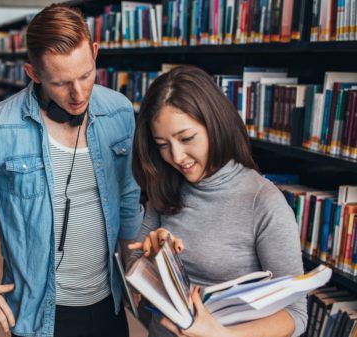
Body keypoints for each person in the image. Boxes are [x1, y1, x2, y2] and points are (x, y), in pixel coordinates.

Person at [0, 4, 143, 337]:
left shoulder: (119, 111)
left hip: (110, 304)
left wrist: (137, 267)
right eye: (61, 83)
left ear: (94, 53)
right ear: (33, 73)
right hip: (41, 317)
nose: (79, 95)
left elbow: (127, 197)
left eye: (86, 75)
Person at [129, 65, 307, 337]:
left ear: (215, 124)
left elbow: (295, 314)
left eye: (186, 138)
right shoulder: (165, 186)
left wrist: (222, 335)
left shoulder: (263, 202)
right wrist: (152, 256)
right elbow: (135, 264)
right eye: (163, 144)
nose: (176, 156)